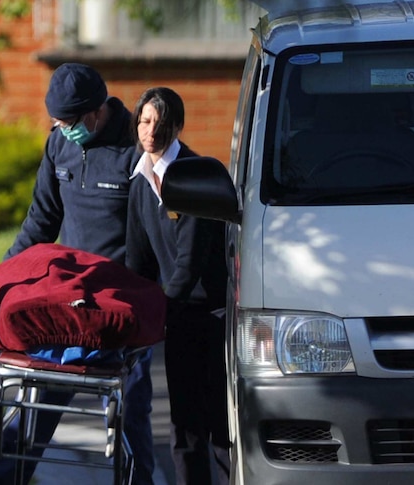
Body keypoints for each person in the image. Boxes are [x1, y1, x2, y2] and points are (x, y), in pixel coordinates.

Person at [0, 62, 155, 484]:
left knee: (130, 412)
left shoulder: (135, 150)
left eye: (69, 122)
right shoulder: (59, 146)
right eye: (57, 123)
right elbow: (40, 221)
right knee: (34, 404)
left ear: (94, 112)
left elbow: (154, 236)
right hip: (70, 303)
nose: (63, 129)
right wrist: (4, 278)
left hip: (120, 305)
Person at [125, 87, 231, 484]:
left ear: (177, 126)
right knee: (183, 426)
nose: (151, 131)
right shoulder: (138, 182)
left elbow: (190, 261)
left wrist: (159, 313)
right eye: (145, 121)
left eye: (161, 123)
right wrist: (134, 313)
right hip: (179, 316)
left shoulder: (193, 174)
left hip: (213, 316)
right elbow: (138, 260)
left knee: (218, 424)